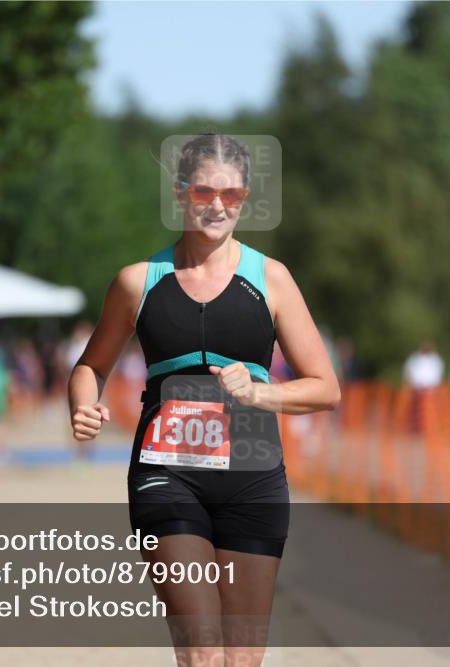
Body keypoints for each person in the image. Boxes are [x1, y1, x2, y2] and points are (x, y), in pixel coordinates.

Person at [67, 133, 340, 667]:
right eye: (204, 191)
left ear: (245, 197)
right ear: (179, 192)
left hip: (253, 479)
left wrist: (260, 392)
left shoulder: (273, 280)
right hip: (167, 476)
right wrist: (82, 403)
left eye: (232, 195)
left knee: (241, 658)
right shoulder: (137, 282)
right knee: (202, 651)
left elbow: (325, 387)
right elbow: (89, 365)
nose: (217, 205)